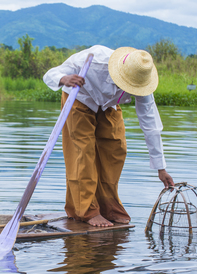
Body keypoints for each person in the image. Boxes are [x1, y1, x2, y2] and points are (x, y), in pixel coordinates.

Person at [43, 45, 174, 227]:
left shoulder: (142, 79)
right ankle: (87, 210)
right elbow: (51, 74)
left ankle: (108, 206)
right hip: (79, 98)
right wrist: (64, 78)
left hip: (109, 105)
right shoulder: (94, 59)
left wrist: (161, 168)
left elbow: (150, 125)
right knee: (83, 152)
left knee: (116, 149)